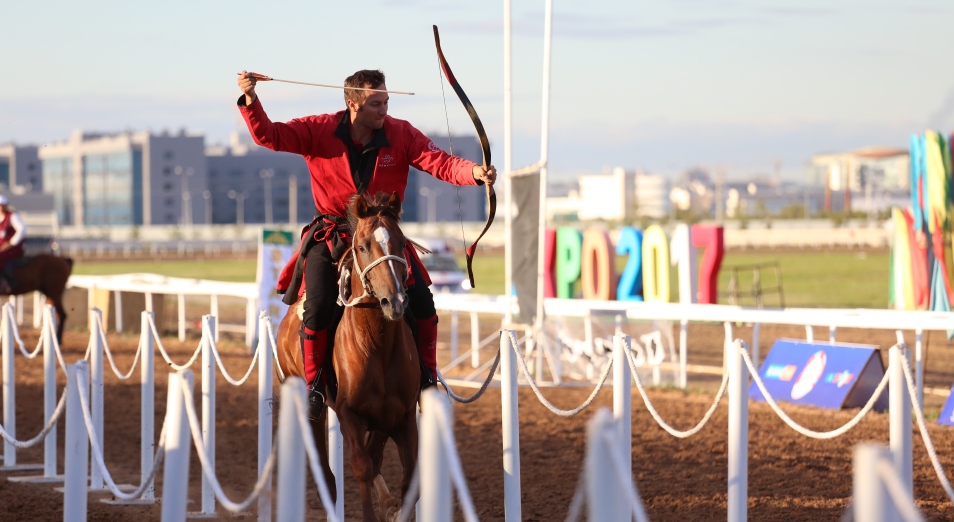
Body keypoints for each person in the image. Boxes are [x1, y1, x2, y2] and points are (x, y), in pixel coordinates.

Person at [236, 69, 496, 408]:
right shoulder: (319, 129)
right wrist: (251, 99)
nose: (384, 108)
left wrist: (475, 172)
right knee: (316, 305)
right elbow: (268, 136)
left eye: (386, 101)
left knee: (422, 303)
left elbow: (441, 163)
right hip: (334, 237)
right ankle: (314, 388)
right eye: (376, 103)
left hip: (382, 238)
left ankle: (429, 381)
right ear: (352, 103)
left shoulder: (401, 133)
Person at [0, 195, 26, 295]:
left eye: (2, 205)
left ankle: (9, 282)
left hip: (13, 248)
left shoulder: (12, 216)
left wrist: (10, 243)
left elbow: (22, 230)